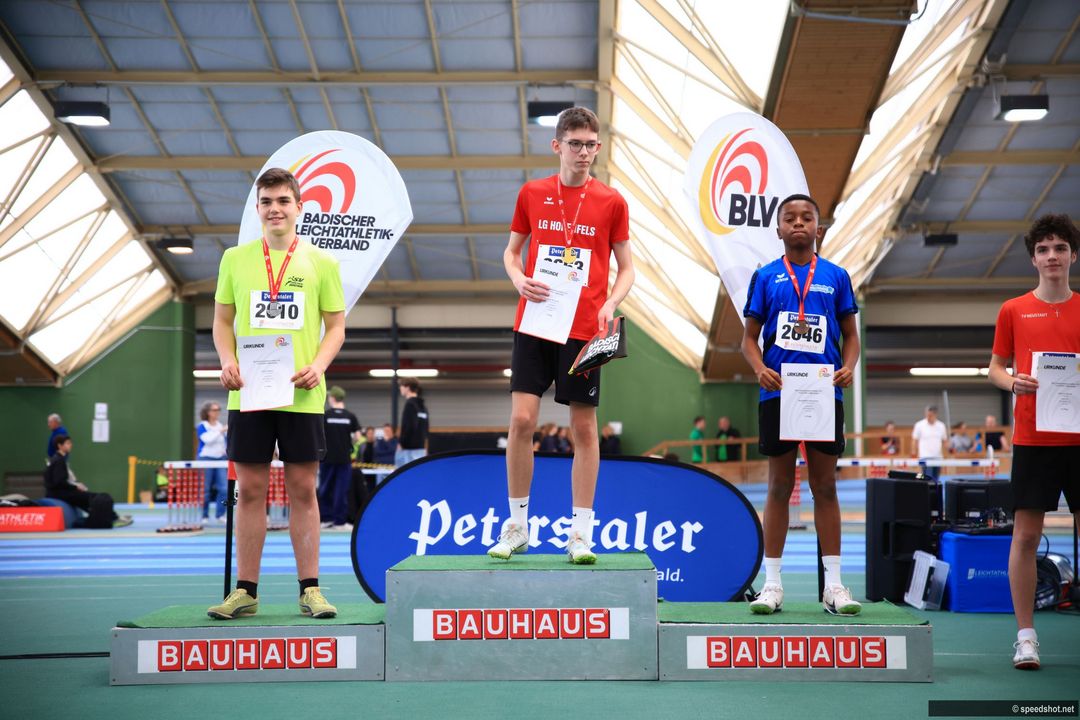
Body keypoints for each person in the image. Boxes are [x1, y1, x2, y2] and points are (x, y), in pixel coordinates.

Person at [489, 106, 635, 565]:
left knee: (584, 428)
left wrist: (610, 303)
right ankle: (517, 527)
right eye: (575, 144)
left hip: (585, 329)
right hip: (536, 322)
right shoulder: (532, 193)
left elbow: (627, 268)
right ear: (557, 145)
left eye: (591, 144)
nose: (584, 152)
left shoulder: (612, 202)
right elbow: (511, 253)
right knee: (521, 421)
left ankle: (580, 534)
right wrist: (518, 279)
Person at [207, 167, 346, 621]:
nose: (275, 209)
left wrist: (318, 366)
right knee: (250, 489)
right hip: (248, 391)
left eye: (283, 200)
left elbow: (336, 327)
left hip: (301, 391)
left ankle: (311, 589)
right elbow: (222, 321)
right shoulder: (235, 259)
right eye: (267, 202)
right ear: (257, 208)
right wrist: (226, 360)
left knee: (303, 488)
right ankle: (245, 591)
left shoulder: (322, 263)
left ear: (299, 207)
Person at [741, 193, 861, 616]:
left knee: (824, 487)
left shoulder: (837, 276)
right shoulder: (765, 277)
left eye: (806, 218)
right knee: (779, 486)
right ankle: (772, 585)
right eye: (789, 218)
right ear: (778, 230)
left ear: (818, 230)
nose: (797, 223)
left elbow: (851, 336)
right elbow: (748, 340)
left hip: (824, 392)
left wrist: (848, 367)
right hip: (778, 393)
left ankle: (834, 586)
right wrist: (759, 368)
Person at [987, 213, 1079, 670]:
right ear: (1033, 259)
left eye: (1060, 248)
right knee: (1025, 537)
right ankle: (1026, 638)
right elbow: (995, 367)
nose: (1052, 256)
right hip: (1033, 439)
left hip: (1078, 440)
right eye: (1043, 250)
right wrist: (1012, 383)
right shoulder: (1014, 309)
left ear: (1073, 255)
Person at [44, 435, 131, 528]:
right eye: (68, 443)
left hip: (58, 492)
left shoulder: (58, 459)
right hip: (58, 493)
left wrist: (75, 486)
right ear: (60, 446)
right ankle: (114, 518)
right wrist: (76, 487)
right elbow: (59, 482)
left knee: (85, 499)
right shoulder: (58, 461)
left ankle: (112, 517)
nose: (71, 445)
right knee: (93, 497)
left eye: (70, 443)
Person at [319, 386, 359, 530]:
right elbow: (357, 437)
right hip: (344, 459)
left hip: (327, 458)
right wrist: (347, 444)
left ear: (332, 398)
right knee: (341, 490)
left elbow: (319, 434)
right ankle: (340, 521)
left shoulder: (326, 415)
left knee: (325, 488)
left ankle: (326, 519)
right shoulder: (350, 416)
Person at [196, 401, 228, 524]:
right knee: (205, 489)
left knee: (224, 489)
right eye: (214, 410)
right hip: (205, 459)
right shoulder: (202, 426)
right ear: (207, 412)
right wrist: (221, 431)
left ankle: (221, 514)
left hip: (220, 460)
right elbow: (207, 440)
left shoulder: (220, 425)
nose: (217, 412)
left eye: (218, 409)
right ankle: (204, 515)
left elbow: (224, 443)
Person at [396, 377, 429, 467]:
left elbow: (409, 426)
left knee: (404, 473)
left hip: (408, 450)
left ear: (407, 387)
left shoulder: (410, 405)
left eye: (401, 386)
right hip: (420, 448)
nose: (400, 388)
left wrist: (401, 443)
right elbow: (426, 429)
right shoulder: (423, 406)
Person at [912, 405, 947, 480]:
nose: (928, 417)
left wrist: (948, 450)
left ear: (935, 415)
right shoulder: (919, 425)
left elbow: (944, 441)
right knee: (927, 477)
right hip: (925, 456)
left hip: (938, 457)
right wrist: (913, 453)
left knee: (936, 478)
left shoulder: (941, 426)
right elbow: (914, 440)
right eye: (927, 415)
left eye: (930, 415)